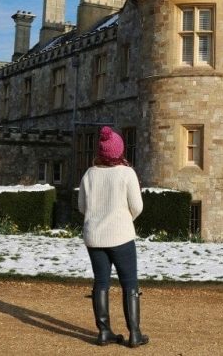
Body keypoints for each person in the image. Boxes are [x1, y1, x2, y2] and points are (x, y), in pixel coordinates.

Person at [78, 126, 149, 347]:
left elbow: (82, 207)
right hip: (121, 235)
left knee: (101, 282)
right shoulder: (126, 173)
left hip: (94, 237)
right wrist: (124, 219)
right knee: (129, 283)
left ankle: (104, 331)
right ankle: (134, 333)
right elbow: (137, 206)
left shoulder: (89, 174)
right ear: (119, 151)